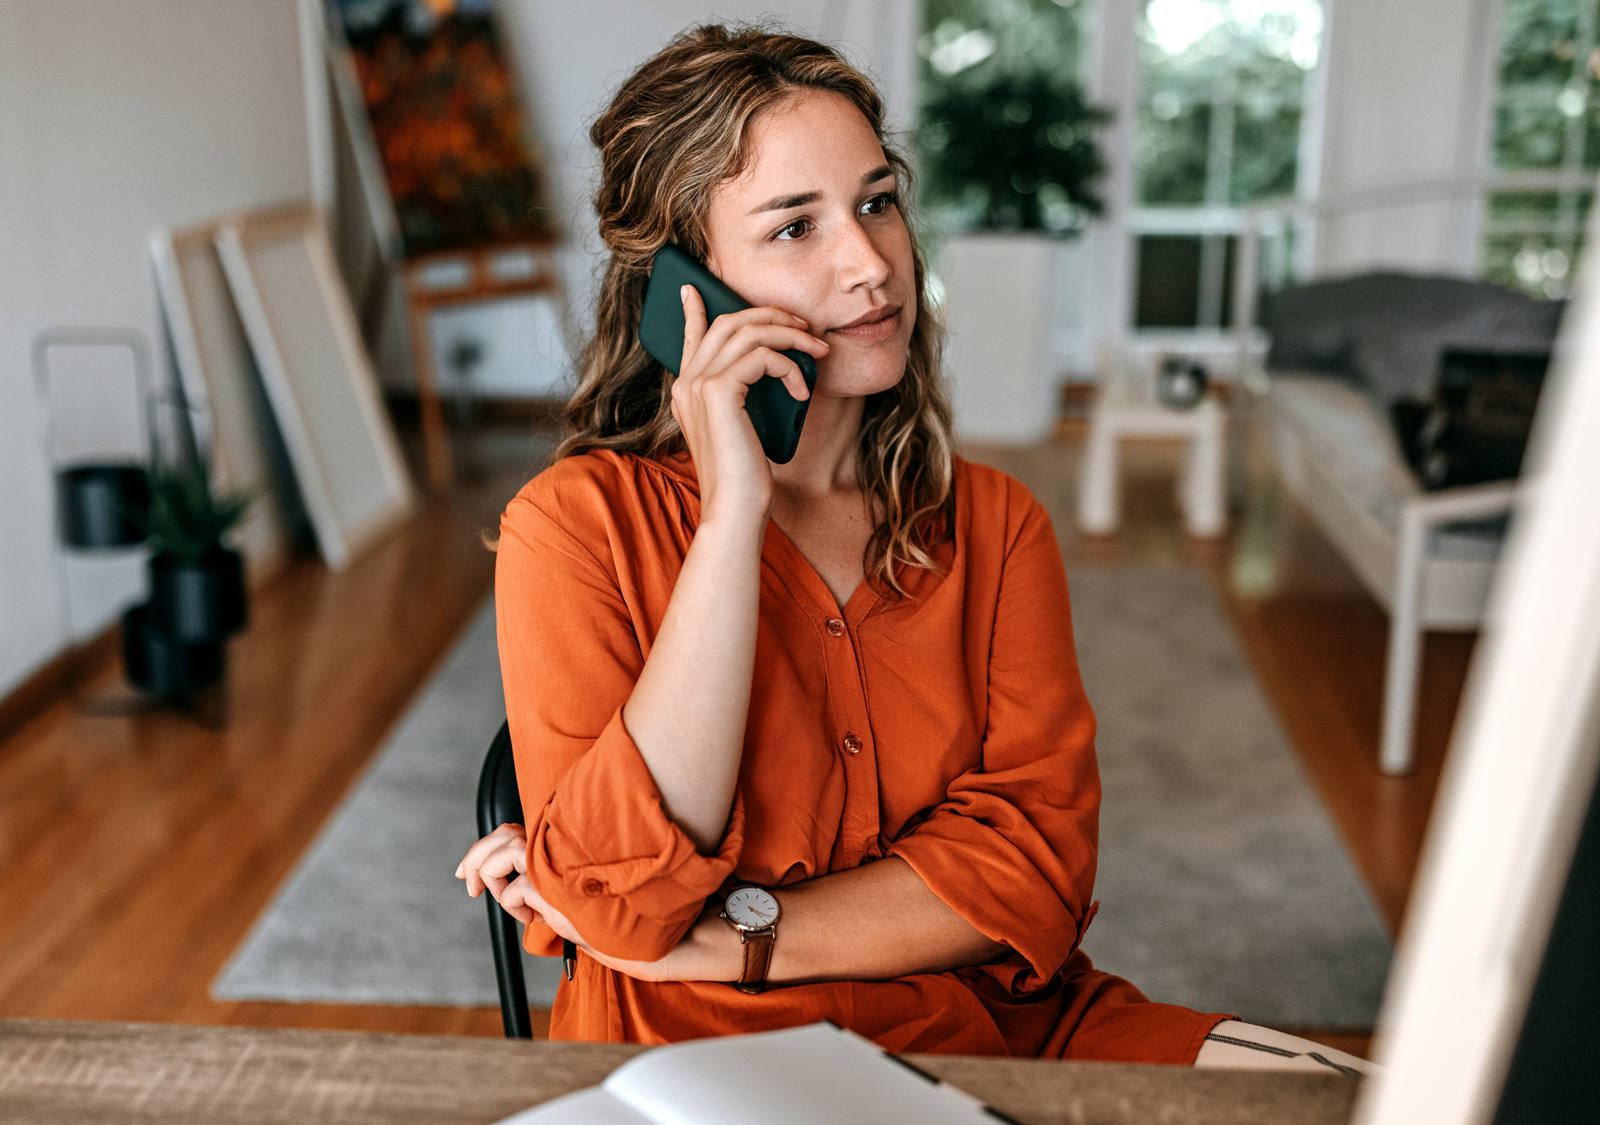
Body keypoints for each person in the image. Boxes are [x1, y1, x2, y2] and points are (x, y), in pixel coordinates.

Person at [457, 22, 1369, 1073]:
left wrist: (727, 936)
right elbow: (620, 902)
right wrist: (732, 517)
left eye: (876, 202)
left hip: (999, 1033)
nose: (871, 263)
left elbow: (1035, 869)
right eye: (794, 229)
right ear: (683, 290)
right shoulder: (575, 527)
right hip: (701, 1053)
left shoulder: (994, 524)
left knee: (1364, 1097)